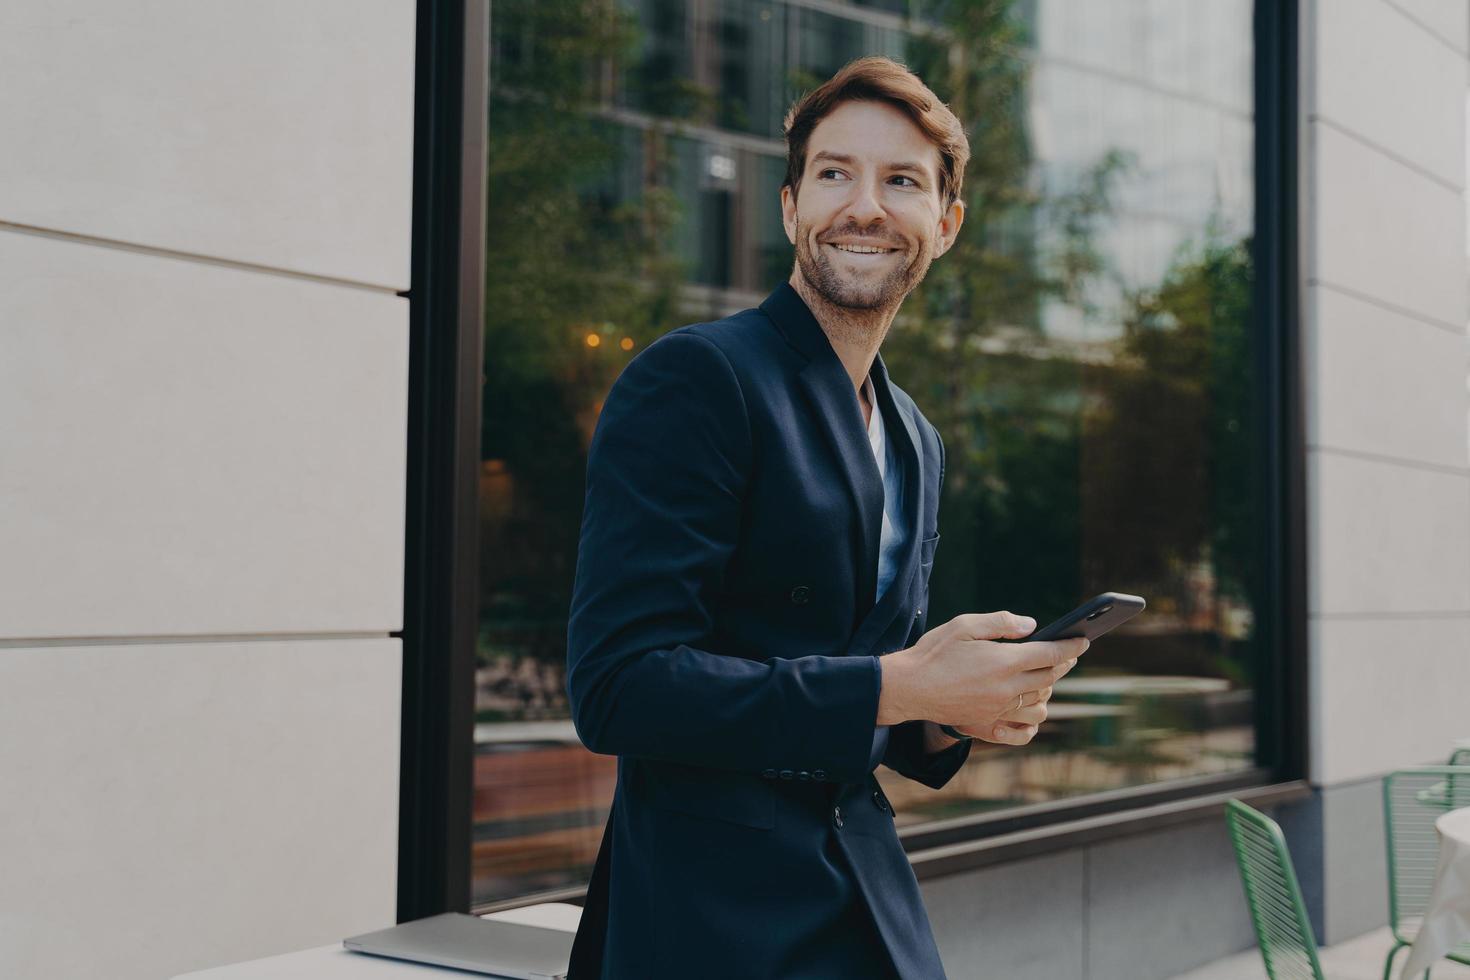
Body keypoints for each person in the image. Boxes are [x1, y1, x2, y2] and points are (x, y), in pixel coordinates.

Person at [565, 56, 1089, 980]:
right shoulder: (698, 380)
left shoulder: (916, 437)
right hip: (708, 926)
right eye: (835, 173)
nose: (865, 208)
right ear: (789, 206)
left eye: (902, 182)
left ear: (947, 223)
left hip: (865, 907)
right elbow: (620, 686)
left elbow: (856, 687)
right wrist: (905, 687)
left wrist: (958, 712)